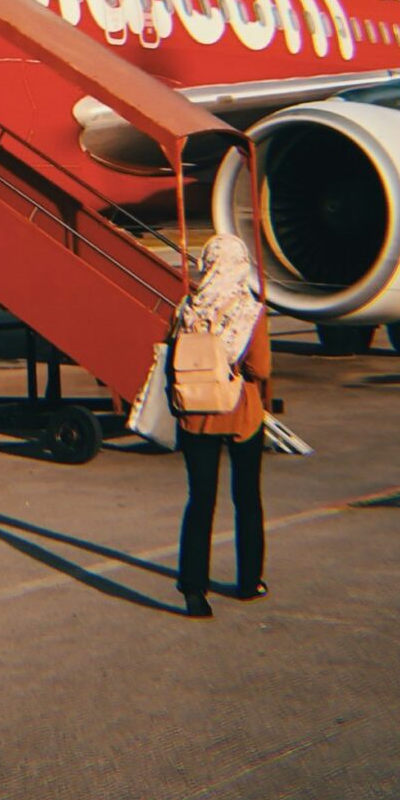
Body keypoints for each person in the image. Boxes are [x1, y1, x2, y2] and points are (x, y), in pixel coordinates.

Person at [172, 231, 272, 618]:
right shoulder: (250, 311)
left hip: (195, 416)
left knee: (200, 502)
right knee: (246, 499)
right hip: (241, 414)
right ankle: (249, 582)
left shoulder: (187, 308)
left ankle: (194, 589)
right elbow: (259, 369)